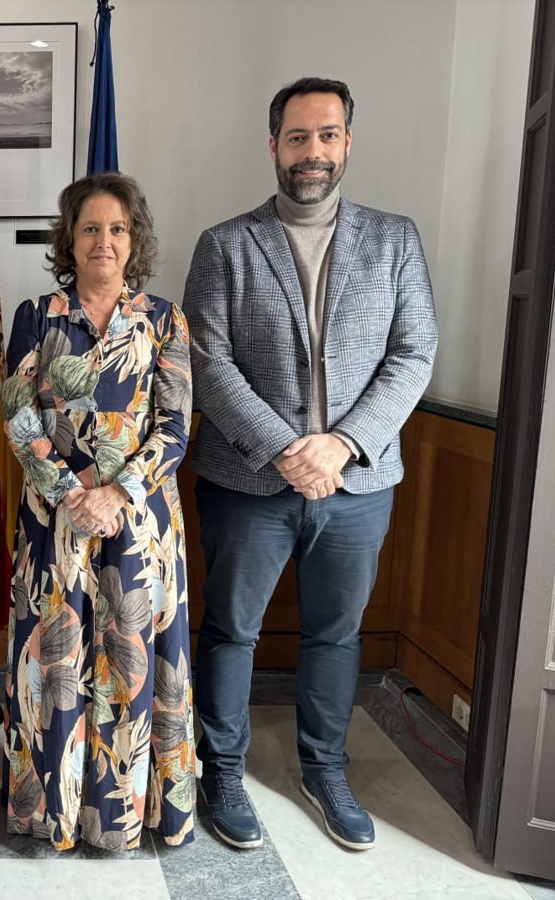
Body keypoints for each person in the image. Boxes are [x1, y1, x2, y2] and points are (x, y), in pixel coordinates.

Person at [184, 77, 438, 852]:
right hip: (246, 482)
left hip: (358, 483)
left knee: (336, 634)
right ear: (274, 146)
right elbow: (207, 359)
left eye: (327, 135)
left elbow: (414, 352)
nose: (312, 151)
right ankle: (222, 771)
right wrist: (286, 448)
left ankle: (325, 770)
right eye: (297, 137)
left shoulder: (394, 239)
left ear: (348, 142)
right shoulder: (225, 245)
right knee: (231, 631)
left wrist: (342, 443)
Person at [1, 172, 196, 852]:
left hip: (139, 523)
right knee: (55, 663)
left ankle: (122, 817)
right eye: (90, 228)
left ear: (134, 239)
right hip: (55, 522)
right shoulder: (36, 316)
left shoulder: (165, 320)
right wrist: (71, 494)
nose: (103, 241)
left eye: (117, 228)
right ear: (70, 238)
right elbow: (18, 418)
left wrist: (116, 493)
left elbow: (175, 428)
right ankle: (51, 814)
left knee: (130, 660)